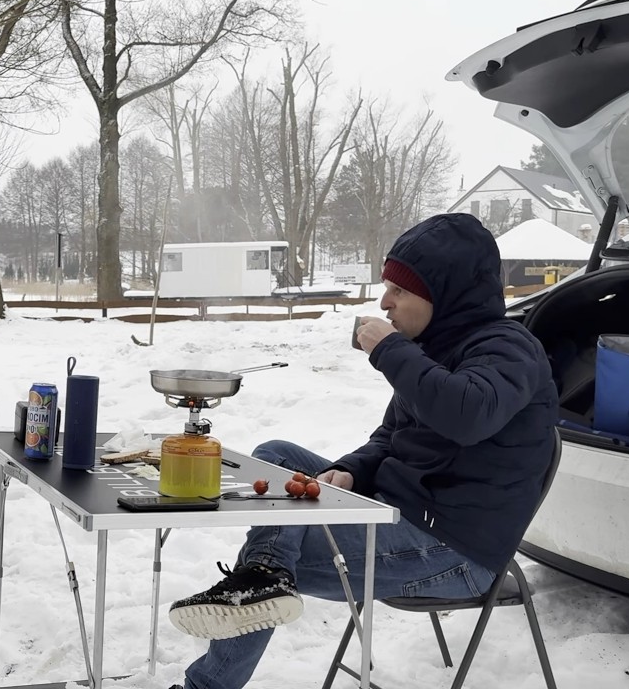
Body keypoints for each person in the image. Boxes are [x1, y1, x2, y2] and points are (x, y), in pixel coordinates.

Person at [167, 213, 559, 689]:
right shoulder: (429, 348)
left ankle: (226, 647)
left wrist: (391, 350)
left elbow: (467, 415)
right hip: (399, 514)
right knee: (275, 455)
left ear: (443, 294)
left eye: (400, 291)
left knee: (271, 552)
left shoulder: (509, 349)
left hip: (453, 549)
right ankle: (265, 574)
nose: (384, 302)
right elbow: (389, 437)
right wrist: (351, 471)